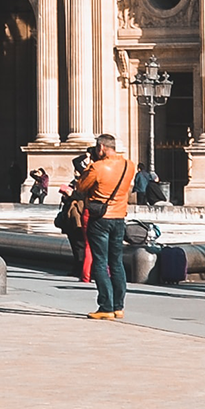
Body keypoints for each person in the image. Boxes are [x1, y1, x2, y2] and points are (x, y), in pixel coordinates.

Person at [69, 131, 136, 318]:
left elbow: (81, 188)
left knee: (100, 261)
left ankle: (105, 307)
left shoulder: (96, 168)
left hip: (100, 220)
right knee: (116, 262)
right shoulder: (129, 166)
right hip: (119, 217)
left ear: (101, 148)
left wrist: (89, 165)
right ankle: (118, 306)